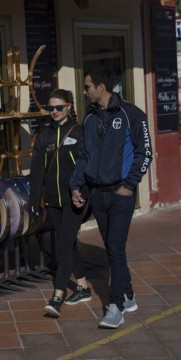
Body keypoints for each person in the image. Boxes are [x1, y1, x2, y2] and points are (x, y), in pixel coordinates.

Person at [70, 67, 153, 328]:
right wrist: (76, 185)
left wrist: (129, 185)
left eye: (87, 87)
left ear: (101, 86)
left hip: (121, 195)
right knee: (112, 248)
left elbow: (145, 153)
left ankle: (115, 306)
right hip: (97, 194)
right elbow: (84, 156)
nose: (84, 92)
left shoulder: (131, 114)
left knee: (115, 249)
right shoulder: (90, 119)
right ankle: (128, 294)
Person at [29, 89, 90, 318]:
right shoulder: (44, 135)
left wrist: (81, 190)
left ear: (69, 106)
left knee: (64, 245)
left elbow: (86, 165)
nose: (54, 111)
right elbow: (37, 171)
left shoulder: (80, 132)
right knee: (68, 242)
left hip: (75, 198)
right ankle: (83, 287)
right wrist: (35, 199)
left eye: (59, 107)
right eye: (50, 108)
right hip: (53, 199)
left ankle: (57, 297)